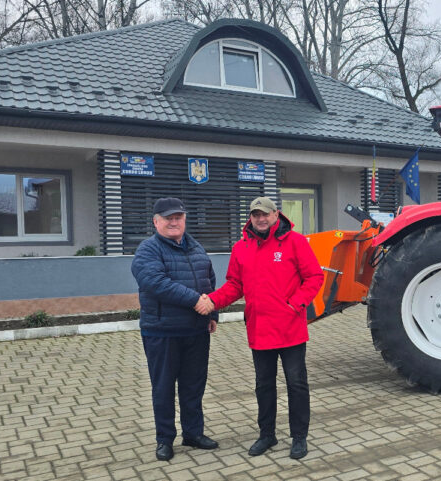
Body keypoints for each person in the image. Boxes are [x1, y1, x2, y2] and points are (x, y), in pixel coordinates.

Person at [207, 197, 324, 460]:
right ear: (250, 218)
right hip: (260, 330)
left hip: (290, 328)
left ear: (276, 215)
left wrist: (296, 304)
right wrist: (213, 300)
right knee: (264, 385)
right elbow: (235, 286)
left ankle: (299, 437)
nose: (260, 219)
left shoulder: (295, 242)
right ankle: (267, 435)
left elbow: (315, 276)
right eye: (255, 215)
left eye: (265, 214)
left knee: (296, 383)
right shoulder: (241, 248)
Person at [131, 197, 219, 462]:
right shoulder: (148, 250)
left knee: (193, 386)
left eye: (178, 217)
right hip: (162, 331)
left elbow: (209, 280)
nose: (174, 221)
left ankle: (193, 433)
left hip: (195, 331)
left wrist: (212, 312)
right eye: (168, 217)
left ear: (184, 220)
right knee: (164, 388)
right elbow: (155, 282)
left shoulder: (196, 247)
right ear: (156, 221)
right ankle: (164, 439)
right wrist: (196, 301)